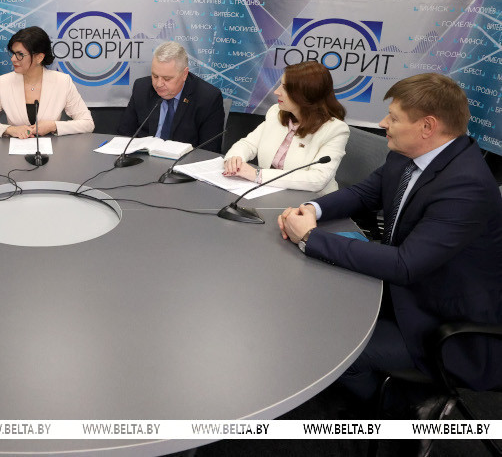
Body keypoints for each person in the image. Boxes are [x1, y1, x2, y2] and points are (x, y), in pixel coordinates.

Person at [278, 73, 502, 404]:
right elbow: (364, 193)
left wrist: (310, 237)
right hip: (400, 291)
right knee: (309, 307)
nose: (383, 123)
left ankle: (405, 409)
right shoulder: (406, 153)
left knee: (329, 350)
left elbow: (404, 265)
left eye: (394, 118)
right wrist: (312, 209)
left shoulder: (466, 186)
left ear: (427, 127)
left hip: (436, 322)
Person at [223, 61, 349, 194]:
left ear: (306, 94)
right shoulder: (275, 112)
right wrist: (235, 160)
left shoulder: (335, 130)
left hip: (310, 201)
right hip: (270, 193)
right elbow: (248, 144)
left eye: (285, 88)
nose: (276, 92)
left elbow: (318, 179)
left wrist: (257, 175)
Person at [0, 26, 94, 138]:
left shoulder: (62, 81)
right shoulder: (3, 82)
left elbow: (88, 123)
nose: (13, 59)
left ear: (39, 57)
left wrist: (53, 126)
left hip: (54, 151)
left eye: (20, 54)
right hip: (14, 151)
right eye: (13, 53)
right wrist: (10, 129)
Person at [116, 41, 225, 151]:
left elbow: (209, 151)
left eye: (167, 79)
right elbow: (124, 135)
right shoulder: (141, 88)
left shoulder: (208, 98)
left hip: (183, 160)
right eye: (155, 76)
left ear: (184, 74)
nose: (158, 84)